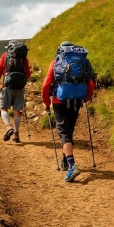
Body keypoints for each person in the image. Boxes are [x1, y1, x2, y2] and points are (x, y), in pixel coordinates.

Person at [41, 41, 94, 182]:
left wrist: (46, 102)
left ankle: (71, 166)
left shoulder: (56, 61)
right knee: (69, 131)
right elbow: (90, 83)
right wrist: (86, 99)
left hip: (59, 101)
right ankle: (65, 161)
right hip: (77, 100)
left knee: (64, 133)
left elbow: (46, 84)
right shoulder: (83, 61)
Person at [0, 40, 32, 143]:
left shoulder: (5, 55)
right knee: (17, 111)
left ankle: (7, 127)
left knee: (3, 108)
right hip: (20, 87)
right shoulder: (24, 58)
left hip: (7, 86)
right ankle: (16, 134)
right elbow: (28, 74)